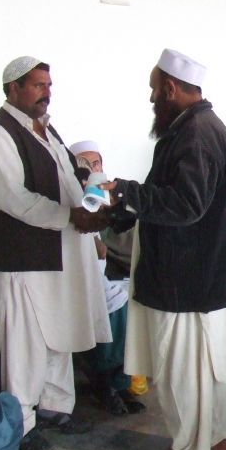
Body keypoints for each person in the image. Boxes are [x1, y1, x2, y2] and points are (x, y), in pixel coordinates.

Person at [103, 49, 226, 450]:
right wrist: (124, 202)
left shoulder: (196, 134)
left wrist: (126, 192)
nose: (152, 99)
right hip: (198, 277)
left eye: (154, 90)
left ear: (170, 88)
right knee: (202, 370)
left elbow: (186, 206)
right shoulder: (197, 127)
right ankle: (216, 439)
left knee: (179, 376)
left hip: (186, 283)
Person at [0, 56, 111, 450]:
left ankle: (55, 408)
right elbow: (12, 199)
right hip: (22, 261)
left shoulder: (46, 131)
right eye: (36, 85)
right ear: (12, 89)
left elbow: (72, 179)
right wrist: (71, 215)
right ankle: (20, 422)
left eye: (48, 85)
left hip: (58, 255)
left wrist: (95, 197)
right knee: (25, 343)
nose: (46, 92)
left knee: (57, 334)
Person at [68, 139, 146, 416]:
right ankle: (105, 385)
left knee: (126, 299)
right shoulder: (67, 197)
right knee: (105, 307)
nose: (91, 169)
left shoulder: (107, 194)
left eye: (96, 163)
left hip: (104, 271)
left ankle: (121, 381)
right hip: (74, 278)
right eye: (84, 165)